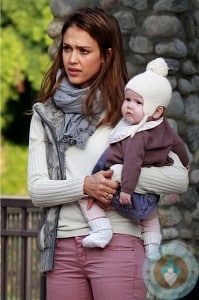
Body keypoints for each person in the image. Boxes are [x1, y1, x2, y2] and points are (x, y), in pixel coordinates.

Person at [27, 7, 189, 300]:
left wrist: (118, 178)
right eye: (67, 48)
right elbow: (37, 191)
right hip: (61, 248)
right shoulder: (46, 114)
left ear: (107, 54)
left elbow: (178, 179)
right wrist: (86, 186)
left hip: (119, 243)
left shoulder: (130, 110)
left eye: (84, 50)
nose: (72, 59)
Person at [81, 58, 189, 261]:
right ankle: (153, 249)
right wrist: (185, 162)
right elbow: (178, 145)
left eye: (138, 103)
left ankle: (101, 229)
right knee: (151, 217)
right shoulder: (163, 127)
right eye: (128, 99)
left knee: (83, 194)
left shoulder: (136, 135)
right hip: (148, 197)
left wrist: (127, 191)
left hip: (124, 192)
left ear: (157, 110)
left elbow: (132, 164)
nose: (129, 106)